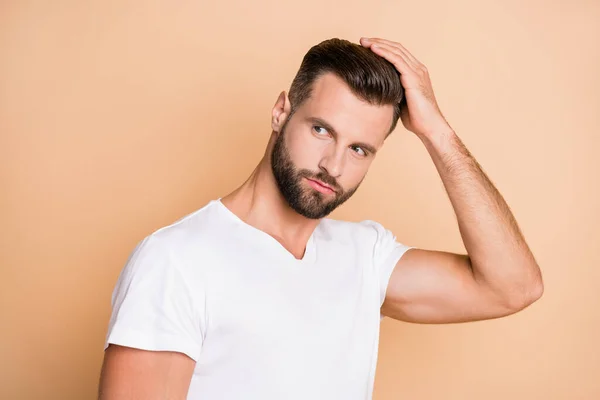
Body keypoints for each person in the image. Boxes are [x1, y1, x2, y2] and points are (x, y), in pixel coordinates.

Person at [97, 37, 543, 400]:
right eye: (321, 129)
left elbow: (513, 287)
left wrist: (437, 132)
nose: (333, 165)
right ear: (281, 112)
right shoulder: (178, 261)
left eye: (359, 149)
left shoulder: (364, 258)